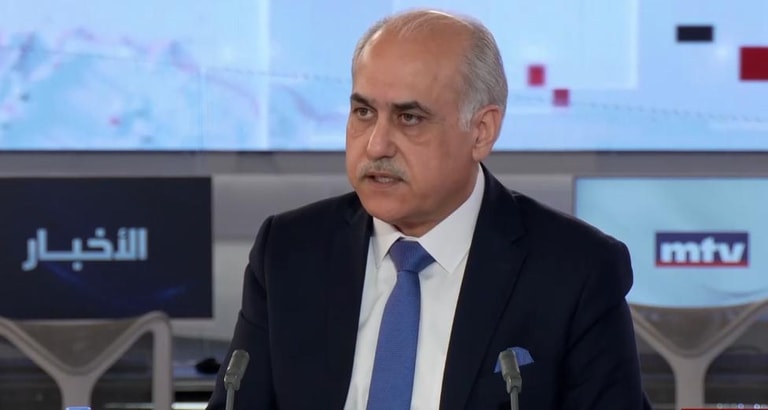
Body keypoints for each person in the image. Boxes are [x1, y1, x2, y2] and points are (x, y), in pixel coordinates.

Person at [207, 8, 652, 410]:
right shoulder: (289, 252)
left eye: (409, 118)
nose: (376, 145)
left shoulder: (575, 271)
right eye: (363, 112)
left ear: (481, 131)